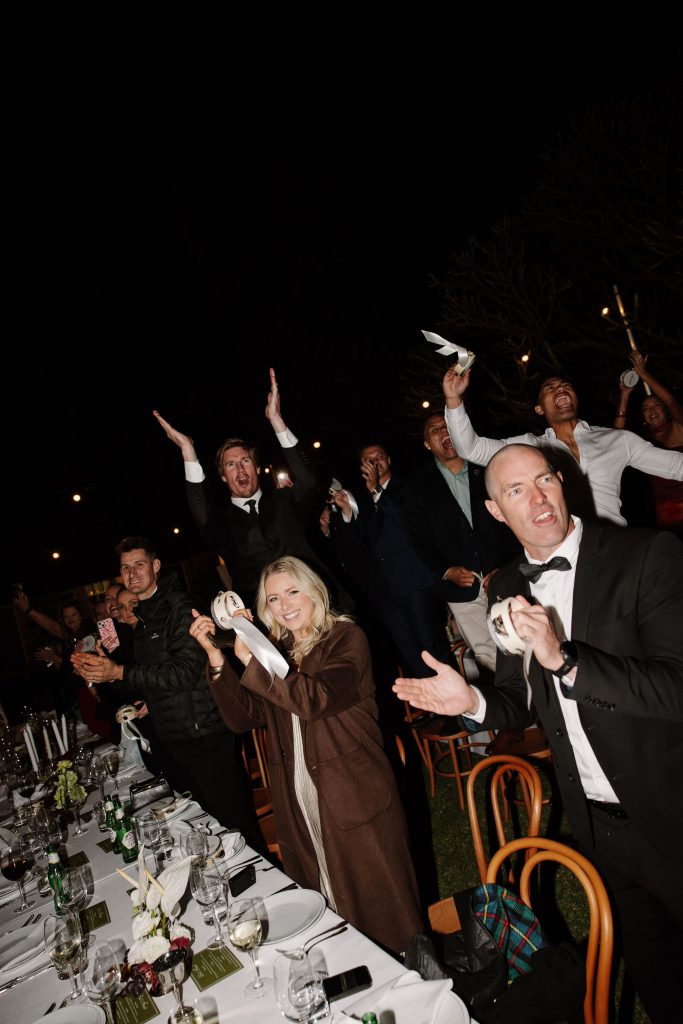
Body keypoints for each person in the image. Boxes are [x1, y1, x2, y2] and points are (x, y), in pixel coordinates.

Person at [393, 444, 683, 1021]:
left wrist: (567, 660)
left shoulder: (647, 554)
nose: (538, 497)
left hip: (670, 806)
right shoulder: (504, 590)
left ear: (564, 481)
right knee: (655, 973)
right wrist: (473, 700)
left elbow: (676, 687)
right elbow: (520, 700)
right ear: (496, 511)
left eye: (544, 479)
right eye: (516, 490)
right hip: (597, 824)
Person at [189, 555, 423, 955]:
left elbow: (314, 699)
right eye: (274, 598)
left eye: (293, 591)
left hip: (351, 795)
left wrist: (251, 656)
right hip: (297, 797)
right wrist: (216, 657)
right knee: (323, 903)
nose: (285, 605)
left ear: (314, 591)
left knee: (383, 911)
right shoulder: (276, 649)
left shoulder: (346, 640)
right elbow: (244, 717)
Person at [71, 536, 265, 854]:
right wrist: (98, 671)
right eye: (125, 568)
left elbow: (186, 673)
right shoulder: (145, 619)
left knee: (237, 829)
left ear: (156, 567)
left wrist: (118, 672)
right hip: (178, 739)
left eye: (139, 565)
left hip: (205, 733)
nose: (132, 574)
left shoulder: (179, 606)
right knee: (210, 831)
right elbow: (146, 680)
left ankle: (274, 891)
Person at [154, 368, 348, 609]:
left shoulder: (284, 501)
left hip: (319, 604)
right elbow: (200, 508)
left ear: (257, 468)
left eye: (245, 461)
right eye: (231, 465)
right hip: (266, 623)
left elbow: (308, 480)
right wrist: (188, 451)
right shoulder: (220, 524)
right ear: (224, 477)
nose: (240, 470)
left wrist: (277, 421)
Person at [443, 366, 683, 525]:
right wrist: (454, 400)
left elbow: (676, 466)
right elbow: (471, 449)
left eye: (565, 385)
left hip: (615, 546)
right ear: (539, 409)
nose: (560, 388)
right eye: (550, 388)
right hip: (566, 553)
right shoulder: (531, 447)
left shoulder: (617, 439)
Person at [402, 414, 519, 675]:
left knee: (521, 640)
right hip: (460, 588)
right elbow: (419, 540)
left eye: (448, 426)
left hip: (502, 576)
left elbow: (512, 518)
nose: (444, 432)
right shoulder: (416, 486)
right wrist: (447, 571)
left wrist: (504, 567)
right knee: (488, 653)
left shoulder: (488, 468)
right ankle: (517, 711)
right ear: (426, 444)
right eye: (435, 429)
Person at [331, 441, 453, 679]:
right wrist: (347, 511)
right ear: (362, 466)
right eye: (369, 460)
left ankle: (459, 706)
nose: (375, 463)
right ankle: (431, 705)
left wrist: (377, 490)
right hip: (384, 589)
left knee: (431, 644)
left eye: (379, 457)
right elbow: (359, 540)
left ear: (389, 460)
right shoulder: (362, 498)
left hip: (415, 581)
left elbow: (405, 524)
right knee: (408, 650)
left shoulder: (408, 487)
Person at [614, 351, 683, 536]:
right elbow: (616, 438)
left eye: (656, 406)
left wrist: (643, 374)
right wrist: (625, 395)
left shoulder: (679, 428)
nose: (651, 411)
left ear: (665, 410)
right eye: (646, 409)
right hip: (668, 515)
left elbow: (671, 400)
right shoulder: (644, 444)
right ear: (643, 418)